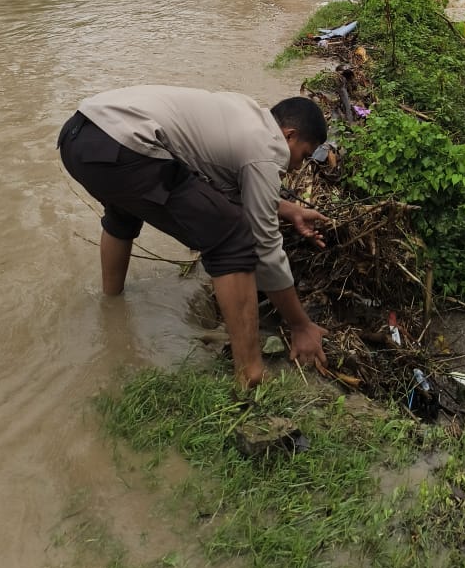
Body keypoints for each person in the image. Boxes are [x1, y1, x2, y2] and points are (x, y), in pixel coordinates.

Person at [58, 86, 330, 388]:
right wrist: (299, 324)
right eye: (302, 155)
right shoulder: (269, 148)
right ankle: (252, 374)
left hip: (80, 138)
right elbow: (264, 245)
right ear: (289, 135)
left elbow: (224, 189)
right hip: (125, 149)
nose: (296, 166)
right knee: (233, 238)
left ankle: (111, 305)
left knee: (125, 210)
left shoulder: (244, 114)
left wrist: (286, 209)